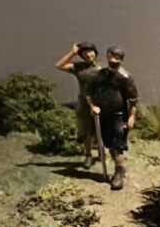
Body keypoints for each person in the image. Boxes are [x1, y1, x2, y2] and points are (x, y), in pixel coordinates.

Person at [86, 46, 138, 190]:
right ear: (107, 56)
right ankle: (120, 167)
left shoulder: (125, 77)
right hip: (103, 115)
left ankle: (118, 174)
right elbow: (89, 93)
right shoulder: (100, 75)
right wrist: (92, 106)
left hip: (119, 116)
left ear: (121, 59)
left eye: (117, 58)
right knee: (109, 144)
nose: (114, 60)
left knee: (118, 146)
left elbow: (133, 99)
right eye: (111, 57)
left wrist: (132, 116)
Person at [55, 41, 101, 166]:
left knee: (99, 131)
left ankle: (101, 152)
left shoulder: (102, 70)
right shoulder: (78, 68)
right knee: (86, 131)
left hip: (100, 104)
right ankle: (88, 155)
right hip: (83, 103)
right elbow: (59, 65)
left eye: (90, 52)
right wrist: (72, 53)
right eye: (84, 53)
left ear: (95, 53)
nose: (88, 55)